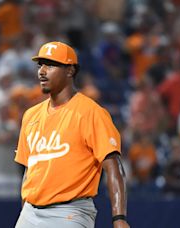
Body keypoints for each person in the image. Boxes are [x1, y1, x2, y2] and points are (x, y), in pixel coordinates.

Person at [14, 41, 129, 228]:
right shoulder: (30, 115)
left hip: (70, 212)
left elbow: (113, 165)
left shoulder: (91, 112)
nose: (42, 71)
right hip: (30, 213)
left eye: (50, 65)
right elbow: (29, 172)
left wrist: (119, 218)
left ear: (70, 71)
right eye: (40, 65)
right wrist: (24, 212)